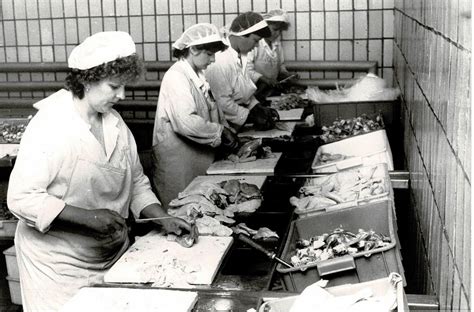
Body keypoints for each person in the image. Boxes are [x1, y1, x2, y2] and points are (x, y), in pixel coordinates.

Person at [7, 31, 197, 312]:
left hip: (110, 256)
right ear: (86, 79)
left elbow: (136, 182)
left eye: (124, 87)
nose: (122, 95)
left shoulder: (115, 124)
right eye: (113, 86)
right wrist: (89, 218)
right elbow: (22, 199)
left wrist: (163, 218)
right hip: (58, 268)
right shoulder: (51, 125)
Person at [151, 23, 239, 209]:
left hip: (196, 158)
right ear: (193, 50)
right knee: (180, 213)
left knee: (201, 211)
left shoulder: (198, 76)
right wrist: (221, 132)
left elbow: (213, 109)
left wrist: (226, 129)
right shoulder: (176, 77)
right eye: (209, 54)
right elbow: (186, 122)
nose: (213, 59)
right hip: (178, 165)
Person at [205, 11, 279, 131]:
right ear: (242, 34)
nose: (256, 46)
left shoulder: (240, 56)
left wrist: (256, 106)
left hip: (235, 124)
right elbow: (222, 101)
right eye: (255, 41)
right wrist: (250, 115)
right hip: (221, 127)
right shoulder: (220, 60)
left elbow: (242, 91)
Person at [246, 8, 299, 101]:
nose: (277, 33)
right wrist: (266, 80)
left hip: (270, 91)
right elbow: (247, 70)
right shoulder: (255, 44)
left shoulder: (277, 44)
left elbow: (280, 66)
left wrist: (287, 75)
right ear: (265, 27)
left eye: (280, 30)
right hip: (253, 92)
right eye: (275, 29)